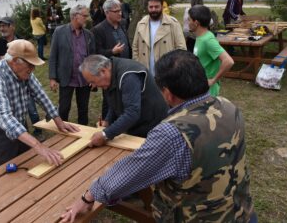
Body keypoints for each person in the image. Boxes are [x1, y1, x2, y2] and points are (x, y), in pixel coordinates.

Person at [60, 50, 255, 223]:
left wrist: (88, 197)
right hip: (241, 211)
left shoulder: (172, 134)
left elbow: (131, 171)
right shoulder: (228, 106)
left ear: (168, 94)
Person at [0, 40, 79, 171]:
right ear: (14, 61)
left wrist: (58, 121)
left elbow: (40, 94)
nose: (33, 69)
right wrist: (38, 146)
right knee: (1, 176)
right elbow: (4, 117)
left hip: (19, 128)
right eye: (30, 65)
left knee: (27, 166)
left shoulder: (25, 72)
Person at [79, 55, 168, 147]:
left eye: (93, 81)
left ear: (103, 71)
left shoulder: (128, 76)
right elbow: (115, 100)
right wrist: (108, 121)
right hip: (139, 124)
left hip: (153, 125)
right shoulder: (111, 73)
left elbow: (132, 113)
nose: (93, 86)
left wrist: (105, 135)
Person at [0, 16, 43, 139]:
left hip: (23, 79)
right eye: (0, 26)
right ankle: (22, 133)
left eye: (4, 25)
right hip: (10, 82)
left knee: (31, 107)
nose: (1, 28)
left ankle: (37, 130)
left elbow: (41, 94)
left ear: (12, 26)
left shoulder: (21, 41)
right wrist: (8, 60)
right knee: (13, 108)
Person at [49, 5, 95, 125]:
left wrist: (94, 76)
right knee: (64, 108)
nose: (87, 18)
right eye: (84, 16)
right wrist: (52, 78)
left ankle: (83, 134)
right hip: (66, 77)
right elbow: (53, 55)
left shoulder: (89, 35)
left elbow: (93, 58)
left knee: (83, 109)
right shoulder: (59, 32)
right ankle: (63, 132)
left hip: (84, 78)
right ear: (75, 16)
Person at [92, 0, 131, 120]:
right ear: (107, 12)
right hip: (110, 71)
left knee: (125, 97)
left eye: (120, 10)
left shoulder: (123, 23)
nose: (120, 13)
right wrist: (112, 52)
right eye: (116, 11)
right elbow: (96, 53)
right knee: (109, 100)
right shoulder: (98, 30)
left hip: (125, 68)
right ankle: (105, 123)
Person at [132, 0, 186, 76]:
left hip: (167, 73)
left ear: (162, 7)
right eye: (151, 7)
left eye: (156, 7)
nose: (153, 9)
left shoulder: (173, 23)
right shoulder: (141, 24)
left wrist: (174, 69)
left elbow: (181, 48)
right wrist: (138, 64)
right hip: (145, 73)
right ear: (147, 7)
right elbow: (135, 47)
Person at [189, 5, 234, 96]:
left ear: (196, 22)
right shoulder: (201, 37)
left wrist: (213, 80)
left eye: (189, 19)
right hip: (200, 86)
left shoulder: (208, 40)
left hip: (208, 91)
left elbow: (229, 61)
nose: (187, 22)